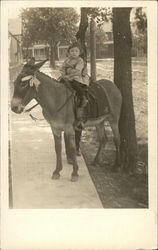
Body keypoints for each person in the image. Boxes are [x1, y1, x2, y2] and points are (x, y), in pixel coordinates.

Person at [60, 42, 89, 128]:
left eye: (76, 51)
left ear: (79, 53)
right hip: (67, 77)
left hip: (78, 78)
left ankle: (83, 97)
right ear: (68, 52)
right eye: (72, 51)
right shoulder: (67, 60)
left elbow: (77, 71)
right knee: (60, 84)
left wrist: (68, 72)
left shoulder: (80, 60)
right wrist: (64, 75)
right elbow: (62, 69)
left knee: (75, 84)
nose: (74, 53)